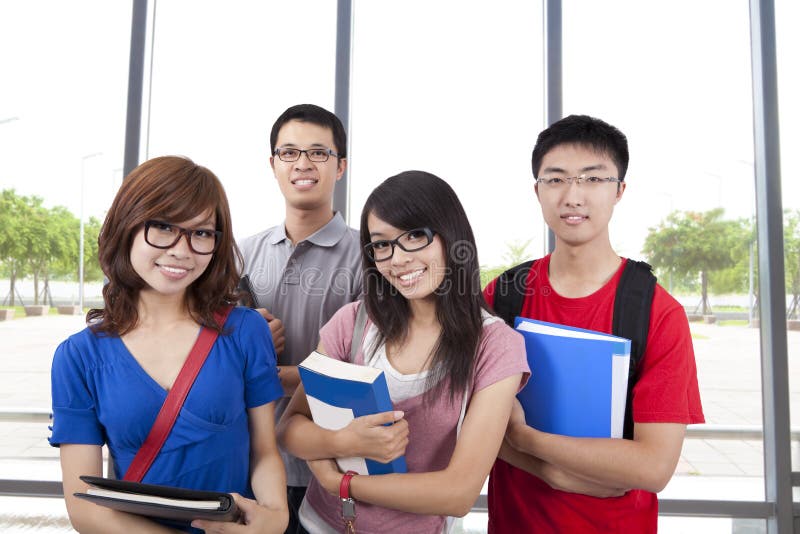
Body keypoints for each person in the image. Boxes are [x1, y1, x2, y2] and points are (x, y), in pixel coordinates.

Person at [484, 115, 705, 533]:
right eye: (556, 180)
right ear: (537, 190)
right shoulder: (503, 295)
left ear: (620, 190)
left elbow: (654, 466)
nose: (573, 196)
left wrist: (528, 441)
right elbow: (460, 413)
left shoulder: (657, 312)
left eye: (592, 179)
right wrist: (553, 472)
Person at [276, 170, 530, 533]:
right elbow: (290, 428)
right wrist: (340, 440)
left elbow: (458, 492)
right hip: (318, 525)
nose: (397, 259)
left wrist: (341, 484)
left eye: (414, 236)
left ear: (451, 236)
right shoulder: (353, 320)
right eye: (382, 244)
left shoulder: (495, 345)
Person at [49, 156, 288, 533]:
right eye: (162, 227)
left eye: (202, 233)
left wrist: (275, 517)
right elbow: (85, 508)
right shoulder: (79, 356)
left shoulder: (244, 331)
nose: (182, 249)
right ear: (126, 226)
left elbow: (263, 452)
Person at [238, 103, 362, 533]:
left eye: (318, 153)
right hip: (250, 465)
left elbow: (363, 372)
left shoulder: (372, 257)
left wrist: (261, 369)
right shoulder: (239, 255)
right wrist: (244, 344)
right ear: (273, 164)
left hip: (334, 469)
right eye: (289, 153)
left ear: (340, 166)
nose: (302, 164)